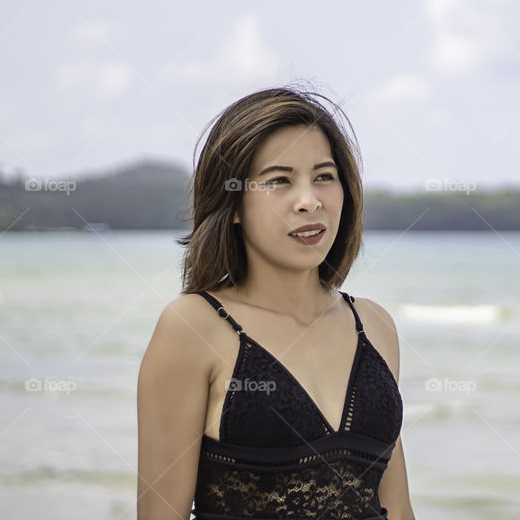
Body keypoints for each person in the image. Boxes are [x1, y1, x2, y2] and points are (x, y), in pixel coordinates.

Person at [136, 87, 416, 520]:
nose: (310, 201)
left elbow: (397, 509)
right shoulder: (193, 327)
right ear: (232, 204)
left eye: (324, 176)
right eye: (279, 181)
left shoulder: (374, 325)